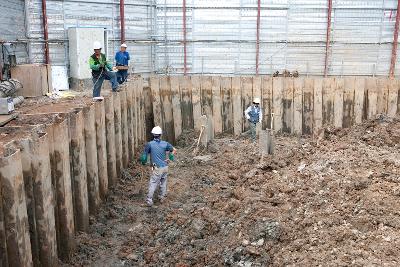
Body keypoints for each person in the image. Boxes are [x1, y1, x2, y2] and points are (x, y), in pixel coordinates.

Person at [140, 126, 177, 207]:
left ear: (153, 134)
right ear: (160, 134)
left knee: (153, 183)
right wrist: (170, 158)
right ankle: (161, 197)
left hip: (156, 167)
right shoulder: (165, 143)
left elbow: (144, 157)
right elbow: (174, 150)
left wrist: (143, 162)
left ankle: (149, 200)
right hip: (165, 167)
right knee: (163, 182)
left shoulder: (149, 144)